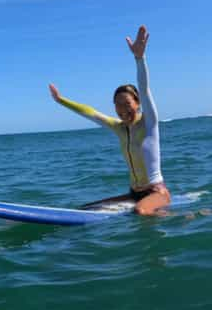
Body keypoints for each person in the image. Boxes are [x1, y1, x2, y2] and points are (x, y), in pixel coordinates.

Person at [49, 25, 170, 215]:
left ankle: (176, 216)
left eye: (127, 103)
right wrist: (61, 100)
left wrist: (139, 58)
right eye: (117, 105)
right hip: (133, 193)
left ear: (137, 103)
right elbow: (90, 112)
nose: (122, 109)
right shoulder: (119, 128)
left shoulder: (149, 123)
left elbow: (145, 89)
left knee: (140, 211)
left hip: (156, 192)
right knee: (88, 209)